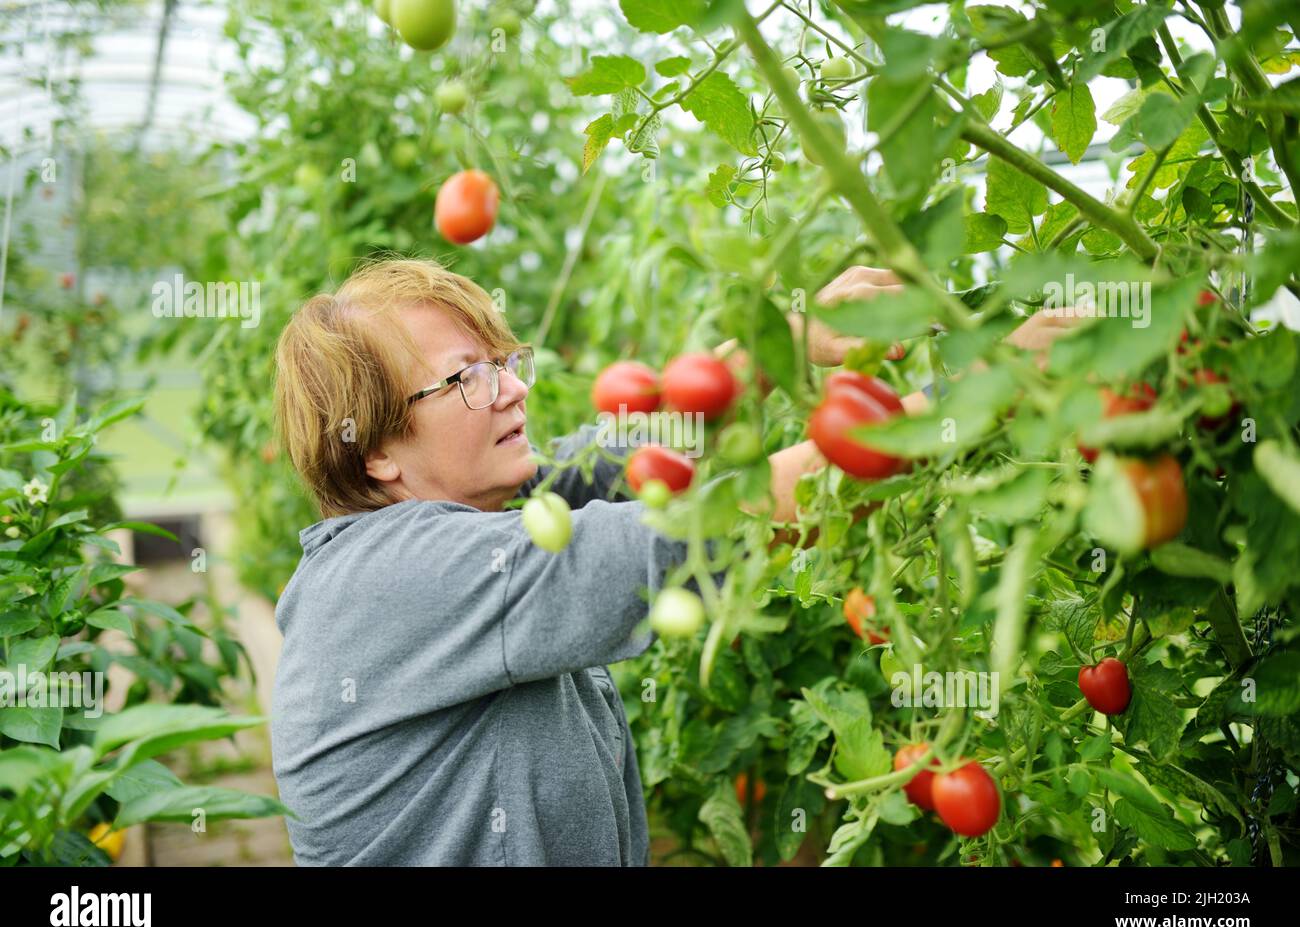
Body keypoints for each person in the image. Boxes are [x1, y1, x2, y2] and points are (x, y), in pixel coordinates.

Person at [268, 257, 1075, 866]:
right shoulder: (396, 578)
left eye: (507, 364)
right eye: (466, 379)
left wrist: (786, 340)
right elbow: (685, 534)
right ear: (373, 450)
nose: (511, 390)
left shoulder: (477, 512)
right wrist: (987, 395)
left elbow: (628, 458)